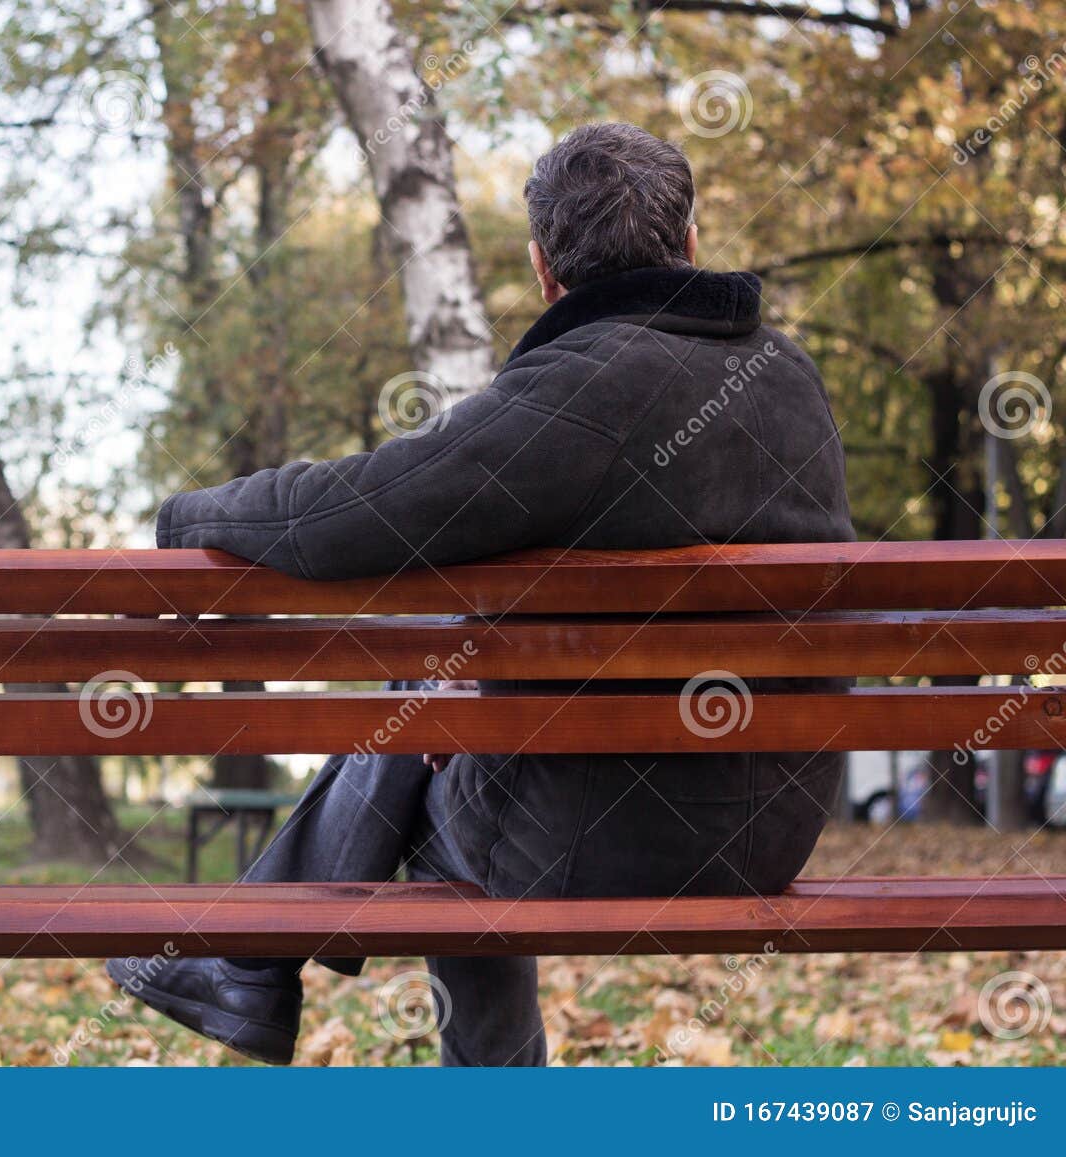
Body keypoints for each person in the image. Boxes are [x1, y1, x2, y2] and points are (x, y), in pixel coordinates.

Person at [107, 122, 852, 1066]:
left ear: (544, 267)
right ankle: (249, 958)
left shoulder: (582, 388)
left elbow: (357, 513)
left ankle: (269, 967)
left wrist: (190, 519)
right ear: (692, 240)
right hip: (776, 826)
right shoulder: (790, 378)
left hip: (612, 843)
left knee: (432, 729)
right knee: (441, 697)